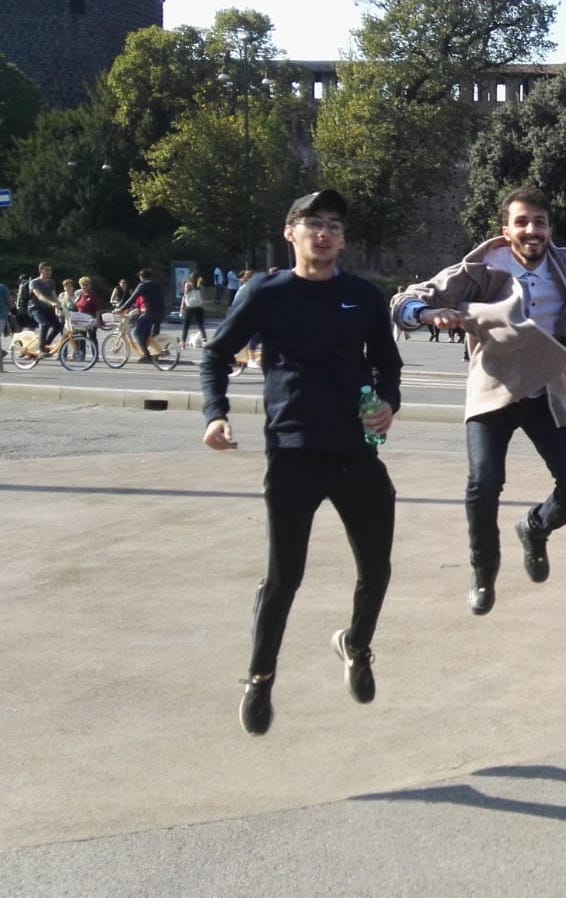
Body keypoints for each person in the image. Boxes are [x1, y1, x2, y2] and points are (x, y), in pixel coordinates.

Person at [392, 186, 566, 616]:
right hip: (493, 388)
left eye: (539, 222)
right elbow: (406, 301)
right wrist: (426, 314)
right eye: (521, 222)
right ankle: (484, 569)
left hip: (546, 392)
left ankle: (535, 528)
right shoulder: (479, 270)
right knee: (484, 483)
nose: (531, 230)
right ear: (506, 230)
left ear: (549, 229)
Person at [199, 189, 402, 736]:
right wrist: (215, 415)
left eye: (334, 225)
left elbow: (387, 365)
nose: (325, 233)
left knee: (378, 568)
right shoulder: (266, 293)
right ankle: (260, 677)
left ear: (343, 239)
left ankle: (356, 645)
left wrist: (388, 404)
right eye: (314, 222)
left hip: (357, 453)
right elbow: (217, 354)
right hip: (292, 454)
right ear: (290, 232)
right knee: (284, 577)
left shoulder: (363, 297)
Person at [117, 269, 166, 362]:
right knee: (148, 334)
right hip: (161, 313)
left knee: (137, 332)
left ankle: (146, 355)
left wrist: (121, 309)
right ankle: (155, 352)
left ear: (141, 277)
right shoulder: (157, 285)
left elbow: (132, 298)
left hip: (150, 313)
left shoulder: (143, 285)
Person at [26, 262, 62, 355]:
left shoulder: (51, 282)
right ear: (40, 270)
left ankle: (46, 345)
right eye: (46, 270)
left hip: (47, 308)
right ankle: (41, 349)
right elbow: (39, 296)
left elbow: (54, 296)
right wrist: (52, 303)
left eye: (50, 270)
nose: (49, 272)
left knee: (58, 326)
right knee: (44, 324)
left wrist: (60, 305)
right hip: (35, 308)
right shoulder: (34, 282)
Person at [180, 272, 209, 346]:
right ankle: (204, 340)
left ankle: (183, 342)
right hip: (199, 306)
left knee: (186, 325)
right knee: (200, 325)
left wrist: (182, 307)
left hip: (190, 307)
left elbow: (185, 296)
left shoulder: (188, 285)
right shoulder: (199, 286)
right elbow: (202, 296)